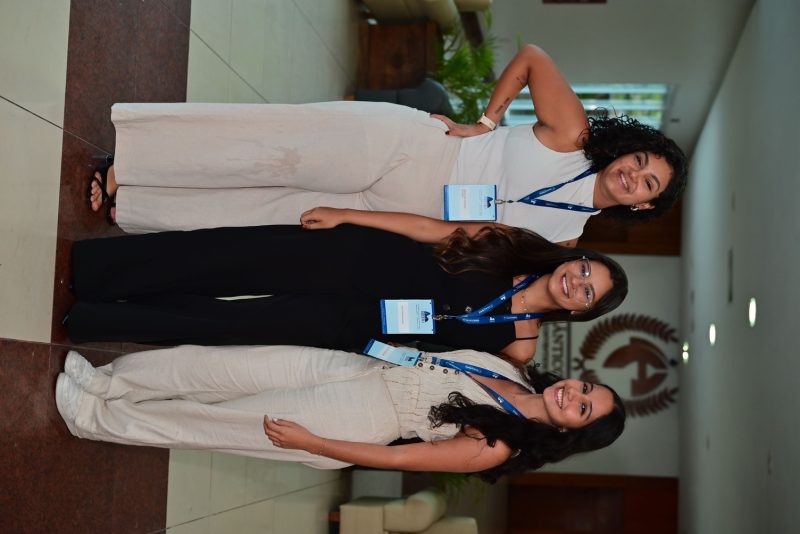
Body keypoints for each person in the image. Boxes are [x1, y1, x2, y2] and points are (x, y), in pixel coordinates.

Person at [88, 44, 688, 245]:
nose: (633, 175)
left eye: (648, 183)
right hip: (413, 148)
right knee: (271, 147)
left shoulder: (566, 237)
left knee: (263, 213)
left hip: (399, 211)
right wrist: (485, 122)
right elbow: (534, 58)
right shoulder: (575, 137)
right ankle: (132, 162)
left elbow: (464, 237)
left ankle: (137, 205)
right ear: (627, 149)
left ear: (643, 205)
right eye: (639, 160)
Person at [66, 208, 628, 363]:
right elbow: (428, 229)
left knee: (229, 325)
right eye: (585, 269)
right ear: (576, 257)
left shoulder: (520, 345)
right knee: (225, 257)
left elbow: (449, 368)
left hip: (352, 326)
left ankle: (94, 319)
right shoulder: (513, 243)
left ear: (582, 312)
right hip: (354, 258)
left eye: (588, 292)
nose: (576, 282)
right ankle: (97, 272)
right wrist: (347, 216)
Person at [55, 345, 626, 482]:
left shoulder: (501, 446)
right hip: (354, 366)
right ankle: (108, 381)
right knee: (216, 366)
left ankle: (94, 419)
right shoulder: (513, 370)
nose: (572, 395)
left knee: (212, 423)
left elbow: (396, 459)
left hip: (355, 418)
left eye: (583, 410)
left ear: (572, 432)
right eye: (586, 388)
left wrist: (314, 444)